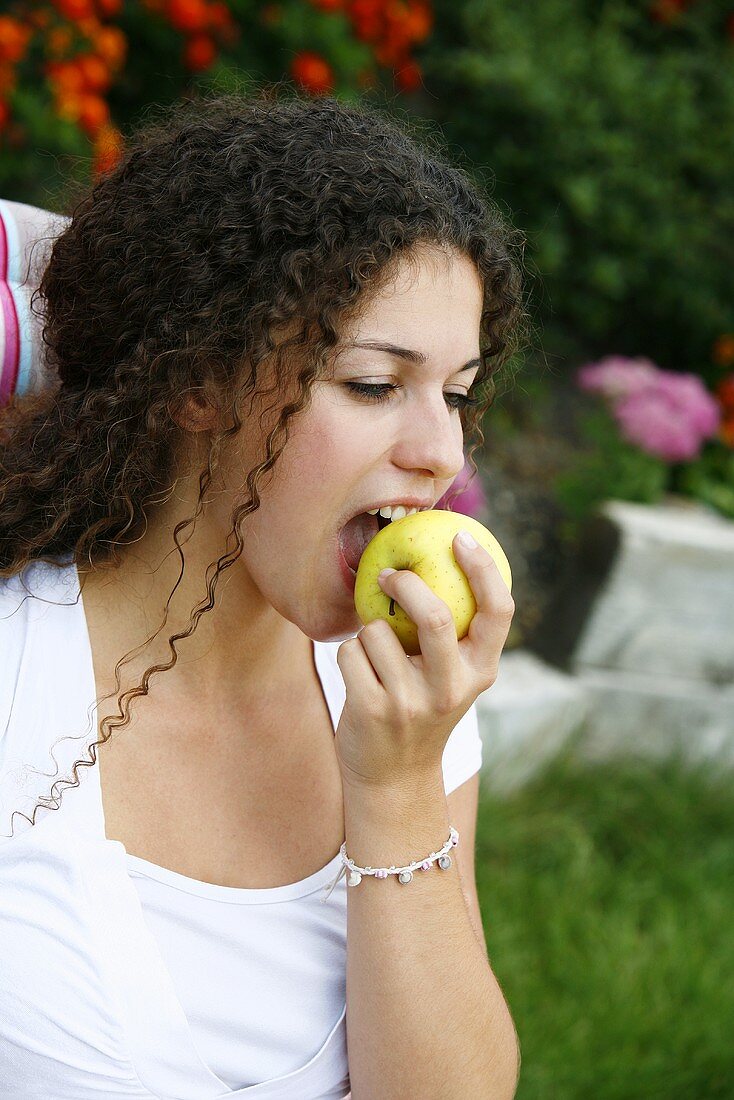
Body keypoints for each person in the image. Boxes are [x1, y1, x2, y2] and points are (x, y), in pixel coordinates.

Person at [0, 88, 529, 1099]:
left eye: (455, 394)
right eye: (374, 384)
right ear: (198, 381)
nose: (441, 453)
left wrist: (397, 791)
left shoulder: (407, 708)